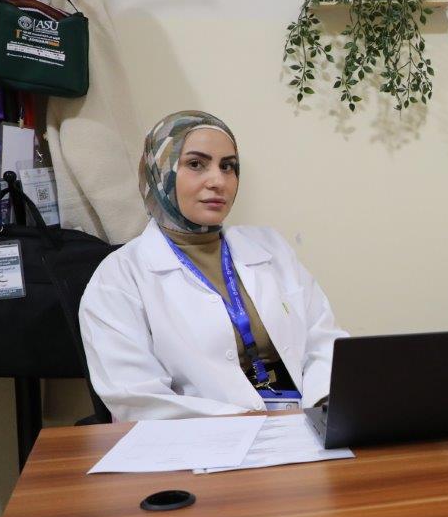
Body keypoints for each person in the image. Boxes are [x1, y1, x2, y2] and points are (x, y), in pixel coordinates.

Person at [80, 111, 347, 421]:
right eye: (196, 164)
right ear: (160, 172)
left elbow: (323, 340)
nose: (218, 181)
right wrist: (248, 422)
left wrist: (322, 405)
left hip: (300, 426)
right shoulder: (119, 277)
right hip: (200, 441)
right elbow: (137, 398)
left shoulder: (270, 247)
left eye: (228, 166)